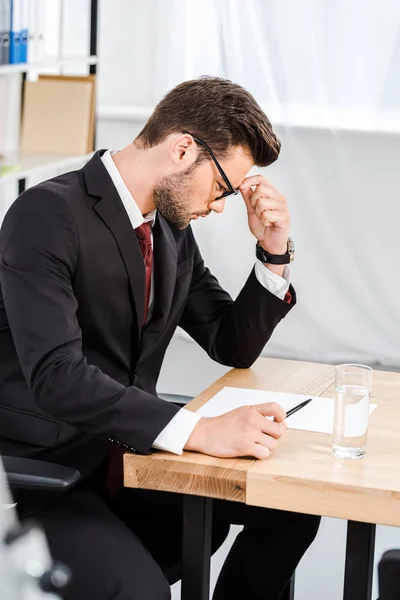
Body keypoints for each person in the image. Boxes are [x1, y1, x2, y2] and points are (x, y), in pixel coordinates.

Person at [0, 77, 320, 600]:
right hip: (49, 477)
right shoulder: (46, 216)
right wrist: (198, 431)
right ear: (181, 149)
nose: (220, 206)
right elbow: (57, 377)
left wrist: (273, 252)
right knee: (145, 592)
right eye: (221, 188)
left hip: (130, 458)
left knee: (290, 510)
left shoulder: (170, 230)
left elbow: (229, 342)